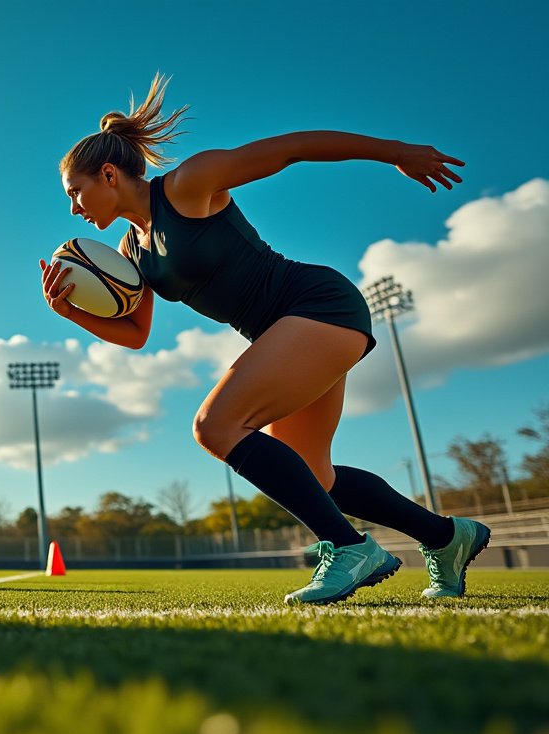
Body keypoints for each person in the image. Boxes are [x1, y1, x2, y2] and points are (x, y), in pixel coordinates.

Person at [41, 75, 487, 605]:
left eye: (76, 192)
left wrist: (396, 152)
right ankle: (445, 536)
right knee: (314, 475)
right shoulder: (132, 251)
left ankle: (347, 546)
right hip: (288, 332)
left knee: (215, 425)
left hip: (317, 304)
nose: (74, 208)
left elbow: (291, 149)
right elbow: (137, 335)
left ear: (108, 174)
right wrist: (70, 313)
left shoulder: (188, 184)